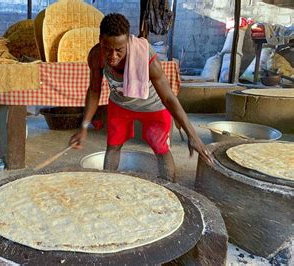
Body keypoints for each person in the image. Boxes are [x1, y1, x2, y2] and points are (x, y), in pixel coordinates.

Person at [70, 13, 213, 181]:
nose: (113, 56)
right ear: (100, 39)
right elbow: (94, 90)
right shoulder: (96, 55)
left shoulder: (146, 56)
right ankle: (108, 184)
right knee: (113, 146)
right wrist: (84, 126)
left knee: (161, 149)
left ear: (128, 43)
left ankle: (171, 187)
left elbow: (168, 98)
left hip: (153, 106)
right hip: (120, 105)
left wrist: (193, 135)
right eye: (108, 48)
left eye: (119, 50)